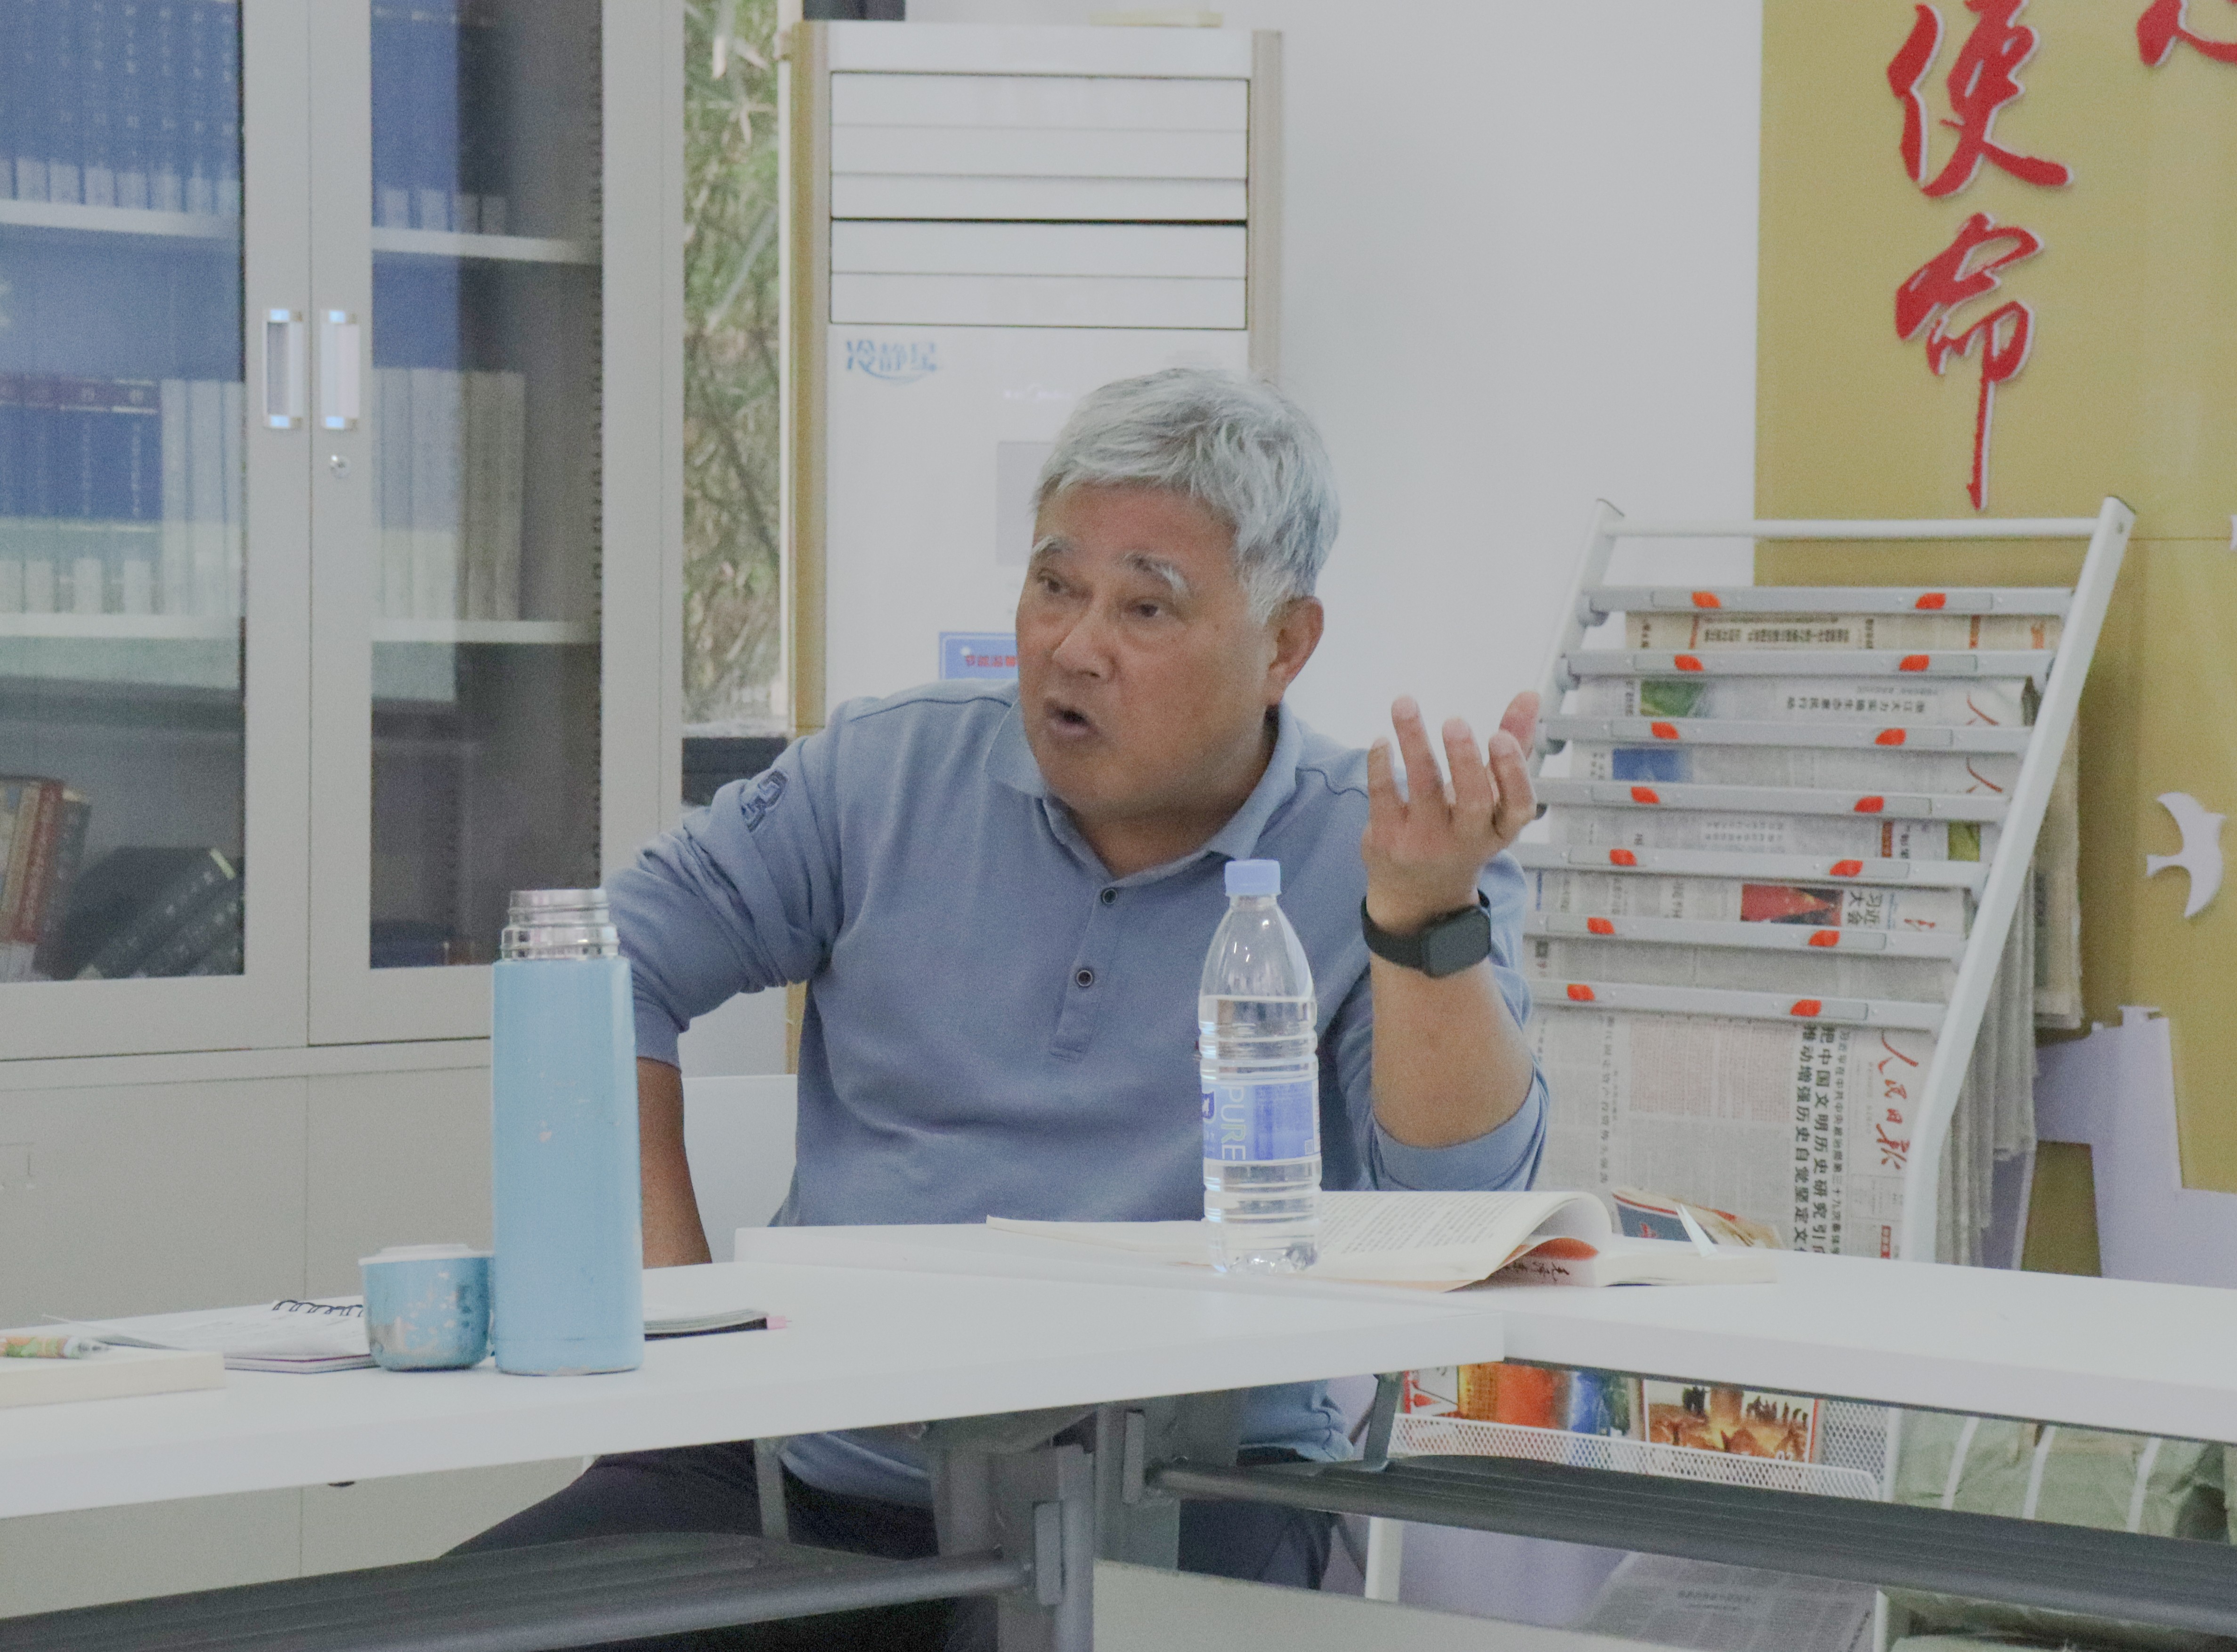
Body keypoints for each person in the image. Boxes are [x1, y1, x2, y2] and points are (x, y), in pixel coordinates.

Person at [456, 368, 1549, 1648]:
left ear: (1285, 646)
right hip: (810, 1476)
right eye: (1053, 585)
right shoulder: (881, 774)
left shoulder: (1384, 849)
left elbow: (1457, 1205)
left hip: (1188, 1487)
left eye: (1145, 605)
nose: (1074, 647)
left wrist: (1421, 920)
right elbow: (595, 968)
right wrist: (675, 1318)